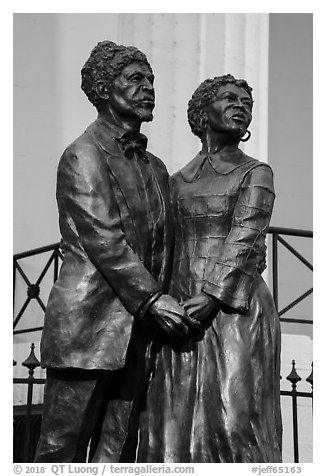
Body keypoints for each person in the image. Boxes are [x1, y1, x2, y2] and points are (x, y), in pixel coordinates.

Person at [34, 40, 191, 463]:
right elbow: (103, 239)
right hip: (89, 326)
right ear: (104, 89)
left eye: (152, 79)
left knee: (119, 450)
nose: (149, 87)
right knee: (60, 451)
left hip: (140, 331)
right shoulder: (83, 154)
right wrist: (155, 299)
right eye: (135, 78)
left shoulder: (156, 168)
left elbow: (167, 244)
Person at [137, 74, 283, 463]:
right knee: (169, 427)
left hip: (235, 311)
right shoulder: (172, 181)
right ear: (203, 112)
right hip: (181, 313)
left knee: (234, 424)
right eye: (230, 98)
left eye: (247, 103)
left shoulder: (256, 173)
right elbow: (161, 246)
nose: (241, 106)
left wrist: (213, 296)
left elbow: (247, 237)